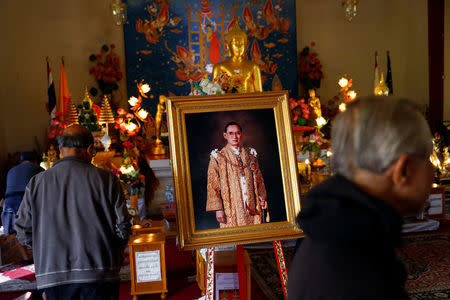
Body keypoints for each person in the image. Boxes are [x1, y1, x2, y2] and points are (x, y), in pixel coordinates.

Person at [287, 96, 435, 299]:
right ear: (404, 170)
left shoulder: (334, 227)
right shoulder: (360, 268)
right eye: (428, 158)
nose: (433, 169)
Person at [15, 125, 131, 300]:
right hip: (100, 273)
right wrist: (112, 251)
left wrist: (44, 247)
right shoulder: (107, 180)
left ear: (60, 150)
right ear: (91, 149)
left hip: (53, 275)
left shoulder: (36, 183)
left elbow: (22, 230)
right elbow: (122, 227)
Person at [206, 121, 268, 228]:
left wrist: (262, 197)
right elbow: (213, 185)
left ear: (242, 135)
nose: (234, 136)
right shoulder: (217, 157)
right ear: (225, 135)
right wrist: (218, 209)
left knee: (253, 236)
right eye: (231, 133)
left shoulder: (251, 155)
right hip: (230, 206)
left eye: (238, 133)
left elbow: (259, 179)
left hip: (251, 204)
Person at [1, 151, 44, 264]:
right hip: (25, 204)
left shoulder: (11, 170)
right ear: (35, 161)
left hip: (9, 206)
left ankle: (26, 258)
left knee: (17, 232)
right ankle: (38, 257)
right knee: (37, 229)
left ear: (21, 160)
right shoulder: (38, 169)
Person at [212, 22, 262, 93]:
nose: (239, 47)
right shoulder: (219, 67)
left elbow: (259, 93)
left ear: (245, 46)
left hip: (250, 102)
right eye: (235, 44)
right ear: (228, 45)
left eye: (241, 44)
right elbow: (215, 94)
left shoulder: (254, 66)